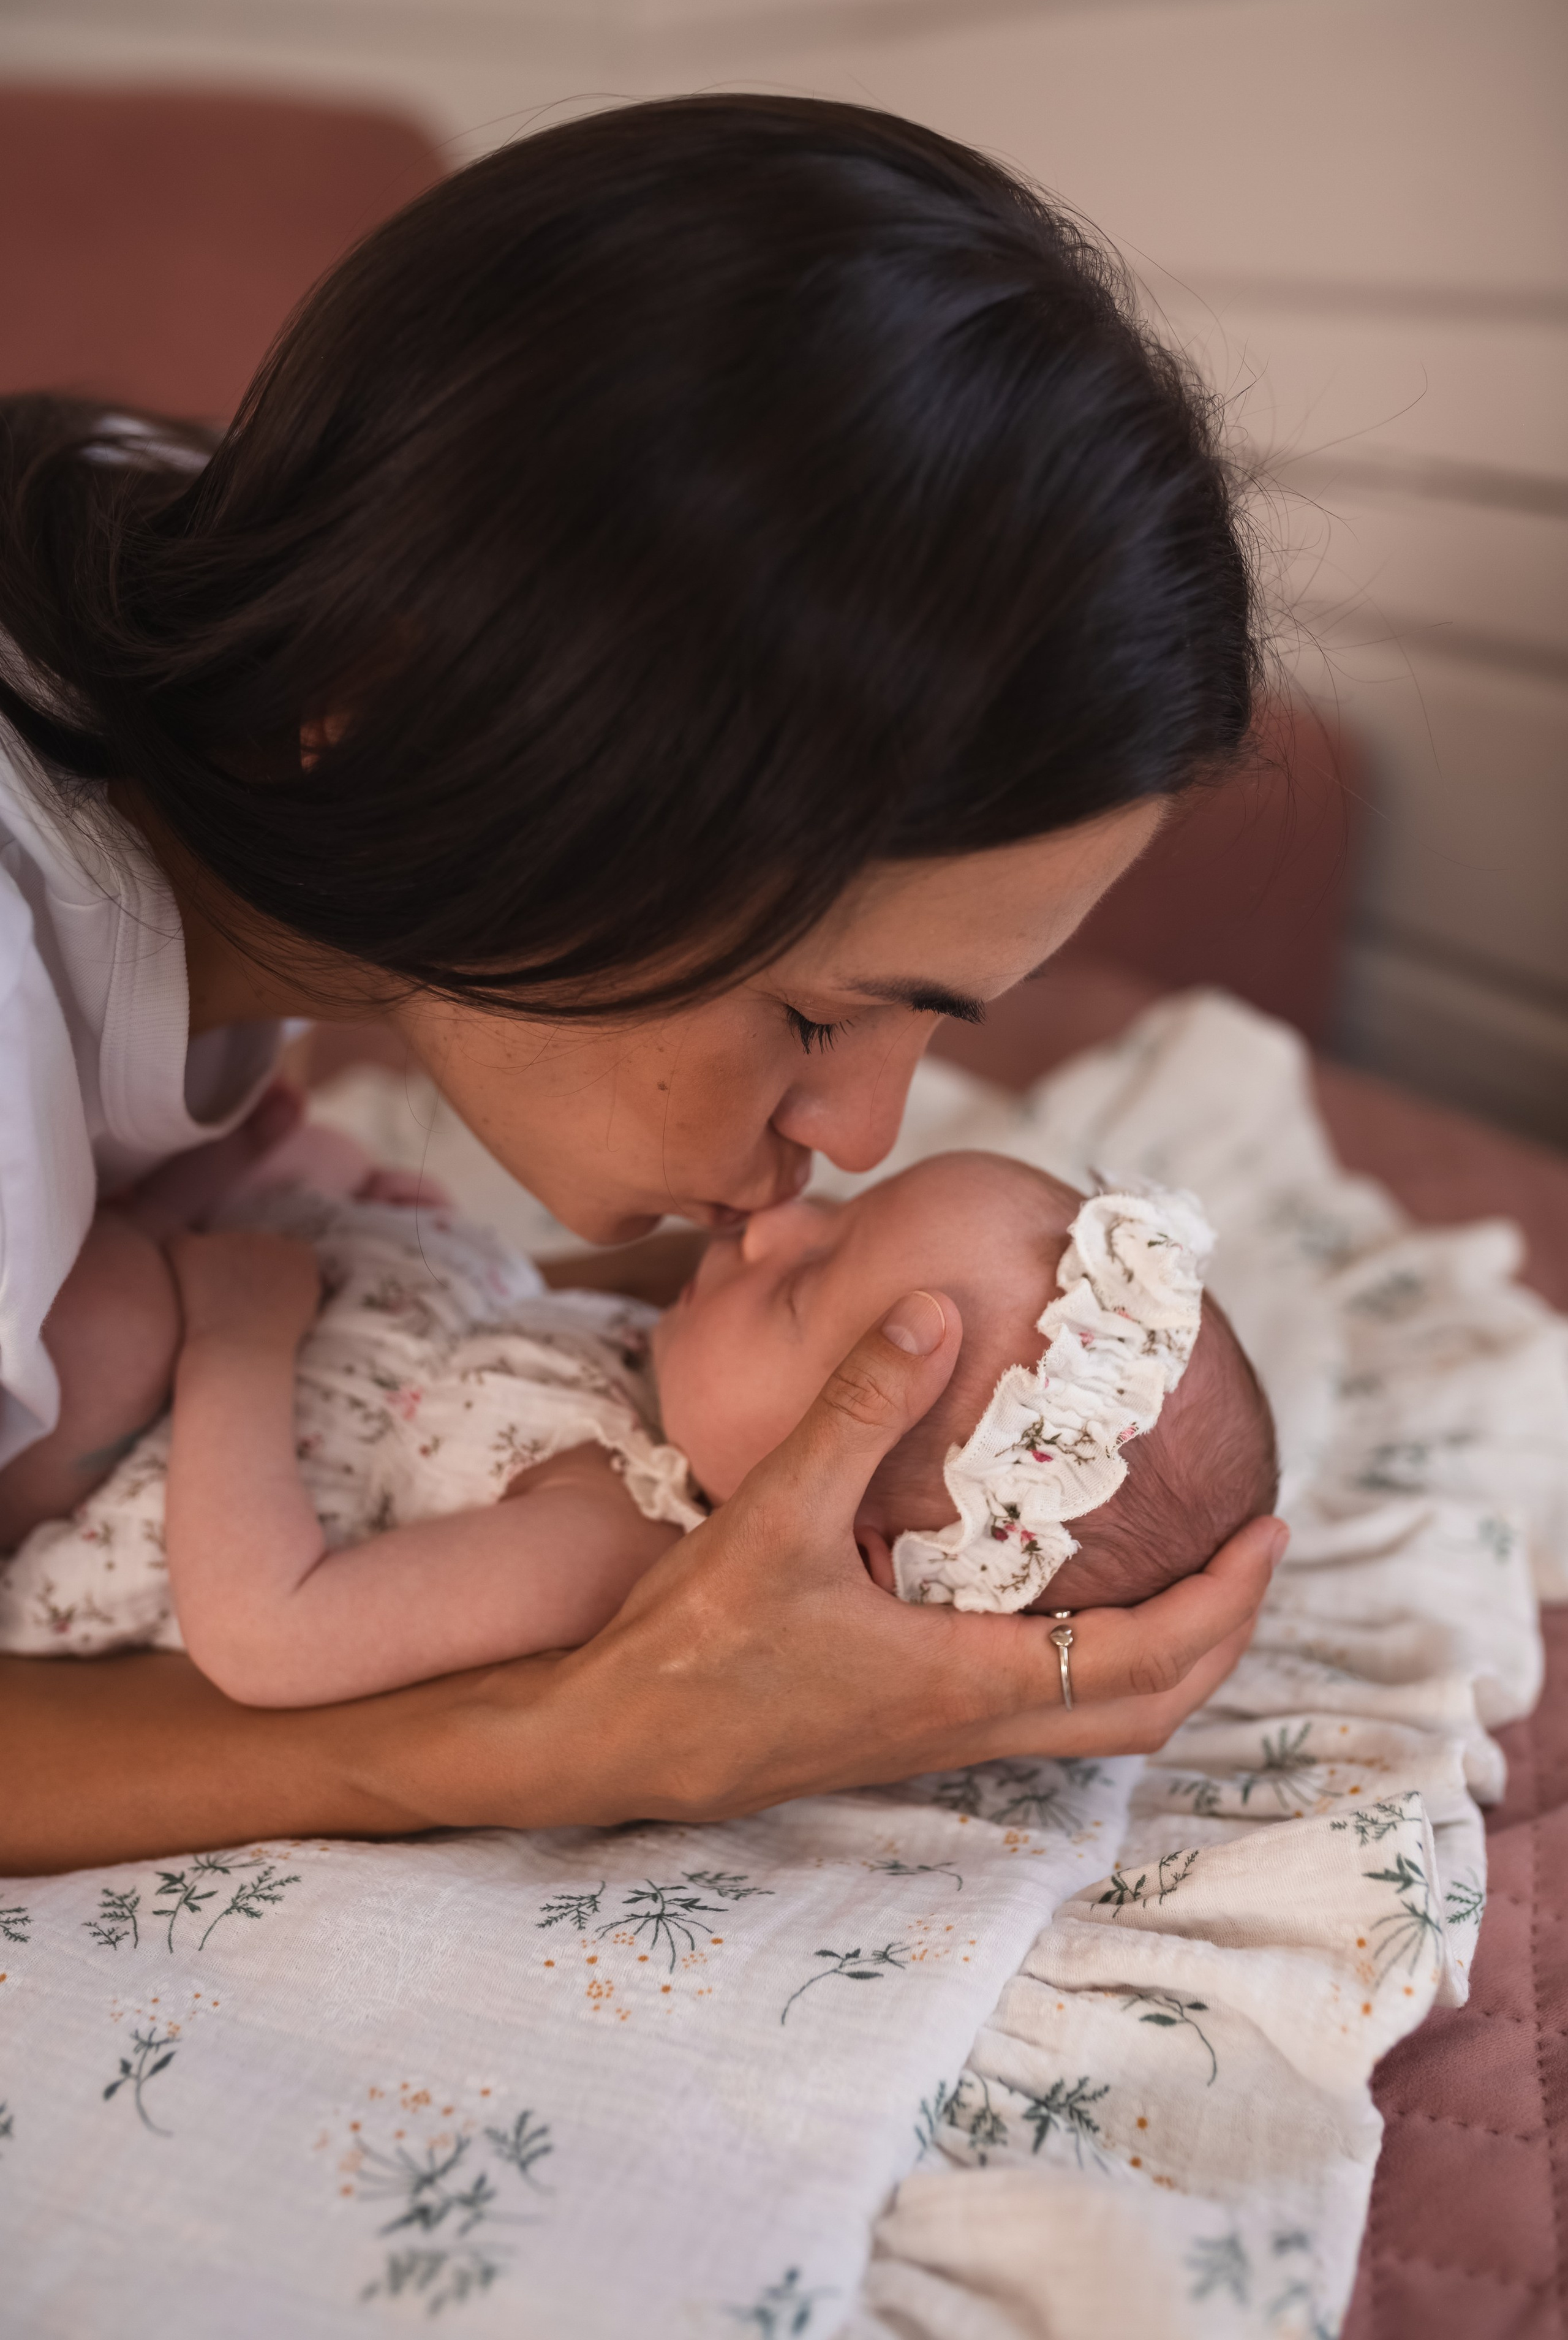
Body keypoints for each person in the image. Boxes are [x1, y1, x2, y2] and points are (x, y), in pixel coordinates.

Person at [0, 94, 1285, 1873]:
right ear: (435, 713)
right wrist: (578, 1738)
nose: (856, 1133)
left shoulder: (214, 573)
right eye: (820, 1011)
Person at [1, 1150, 1276, 1705]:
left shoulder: (601, 1533)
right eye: (842, 1208)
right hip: (239, 1310)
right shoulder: (656, 1395)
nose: (768, 1224)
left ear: (837, 1528)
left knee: (97, 1304)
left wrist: (241, 1343)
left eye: (794, 1287)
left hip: (148, 1459)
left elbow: (267, 1634)